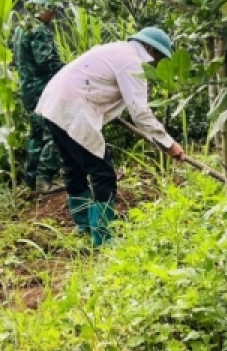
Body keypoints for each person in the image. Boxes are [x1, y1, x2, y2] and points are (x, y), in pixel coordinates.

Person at [36, 26, 184, 246]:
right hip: (72, 109)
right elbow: (140, 111)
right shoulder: (133, 63)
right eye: (160, 58)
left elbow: (96, 80)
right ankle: (103, 237)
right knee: (103, 173)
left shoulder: (117, 50)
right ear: (151, 50)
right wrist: (169, 144)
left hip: (54, 103)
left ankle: (84, 225)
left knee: (73, 168)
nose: (158, 65)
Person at [10, 0, 65, 193]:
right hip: (42, 87)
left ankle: (30, 181)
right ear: (43, 8)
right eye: (52, 10)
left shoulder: (22, 27)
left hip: (28, 88)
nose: (54, 15)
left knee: (36, 133)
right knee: (55, 131)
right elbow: (47, 63)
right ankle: (44, 179)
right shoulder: (39, 30)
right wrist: (72, 69)